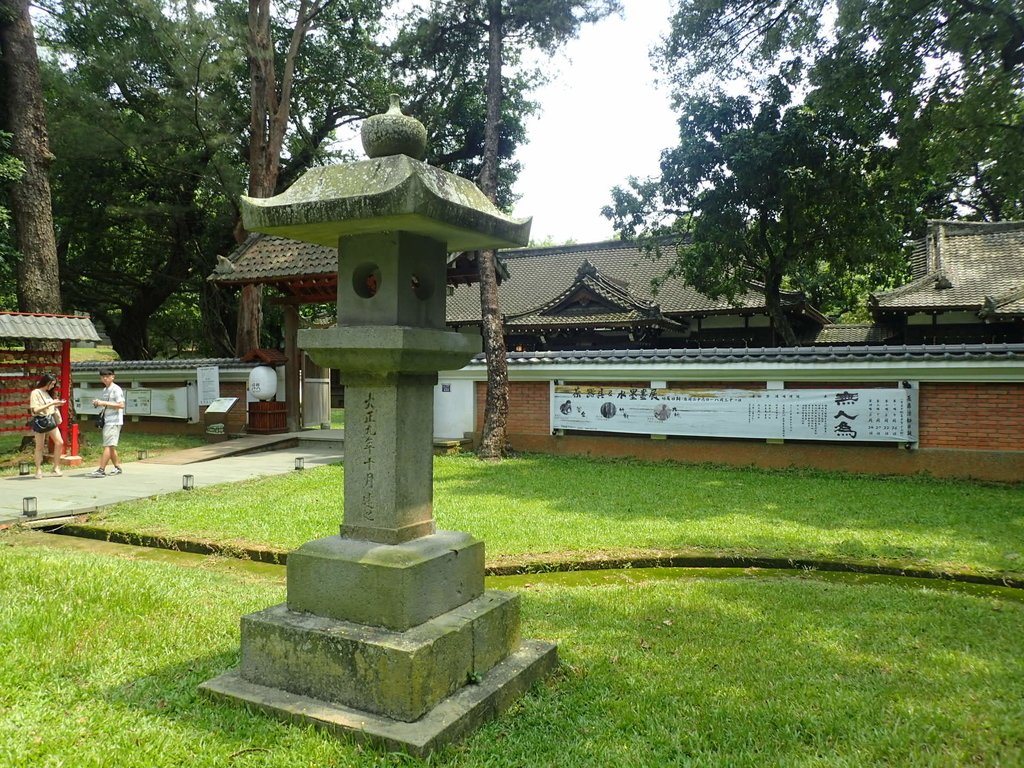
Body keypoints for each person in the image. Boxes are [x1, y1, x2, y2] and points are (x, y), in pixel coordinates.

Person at [86, 367, 125, 477]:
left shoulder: (116, 389)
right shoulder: (105, 390)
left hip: (114, 421)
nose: (105, 378)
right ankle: (117, 467)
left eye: (108, 376)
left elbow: (121, 405)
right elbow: (107, 405)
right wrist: (98, 403)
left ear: (113, 377)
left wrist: (103, 402)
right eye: (103, 377)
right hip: (108, 420)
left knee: (107, 445)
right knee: (111, 445)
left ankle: (101, 469)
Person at [28, 373, 65, 479]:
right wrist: (51, 404)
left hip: (50, 419)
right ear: (46, 383)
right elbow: (35, 410)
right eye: (51, 384)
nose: (53, 386)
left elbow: (50, 406)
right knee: (39, 446)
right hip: (41, 420)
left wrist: (57, 404)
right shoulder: (36, 393)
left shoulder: (48, 393)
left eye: (54, 384)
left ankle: (56, 467)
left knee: (59, 442)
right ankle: (38, 469)